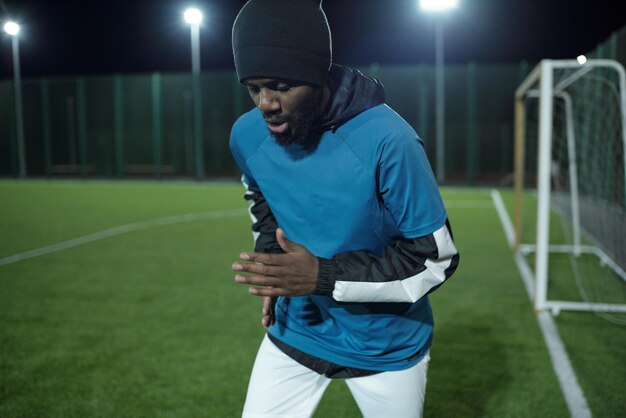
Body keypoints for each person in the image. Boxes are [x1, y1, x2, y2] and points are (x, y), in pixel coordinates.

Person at [229, 1, 460, 417]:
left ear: (318, 75)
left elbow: (434, 259)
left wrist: (322, 276)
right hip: (297, 330)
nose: (265, 103)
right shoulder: (246, 136)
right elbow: (262, 198)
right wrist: (275, 265)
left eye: (281, 85)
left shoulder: (390, 141)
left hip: (387, 346)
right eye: (253, 87)